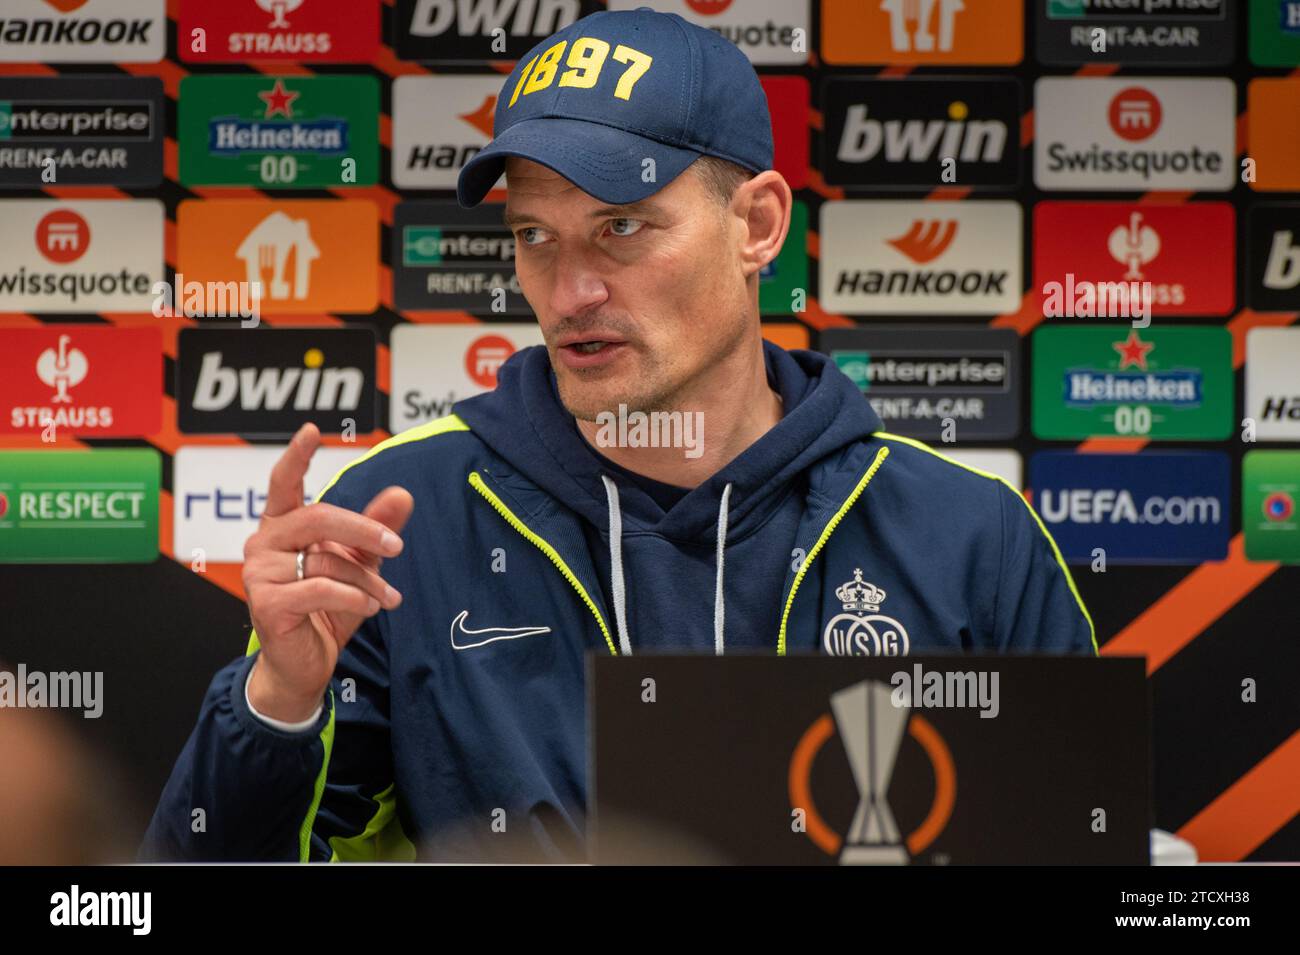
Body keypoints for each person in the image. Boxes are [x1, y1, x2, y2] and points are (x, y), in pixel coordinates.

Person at [141, 7, 1095, 863]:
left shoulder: (971, 537)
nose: (570, 293)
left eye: (622, 227)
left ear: (757, 223)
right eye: (535, 237)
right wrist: (276, 705)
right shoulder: (398, 524)